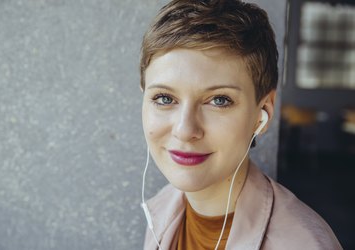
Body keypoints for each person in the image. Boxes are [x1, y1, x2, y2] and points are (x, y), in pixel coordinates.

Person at [139, 0, 342, 249]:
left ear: (263, 112)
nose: (184, 130)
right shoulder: (163, 208)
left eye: (219, 100)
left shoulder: (303, 243)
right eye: (164, 98)